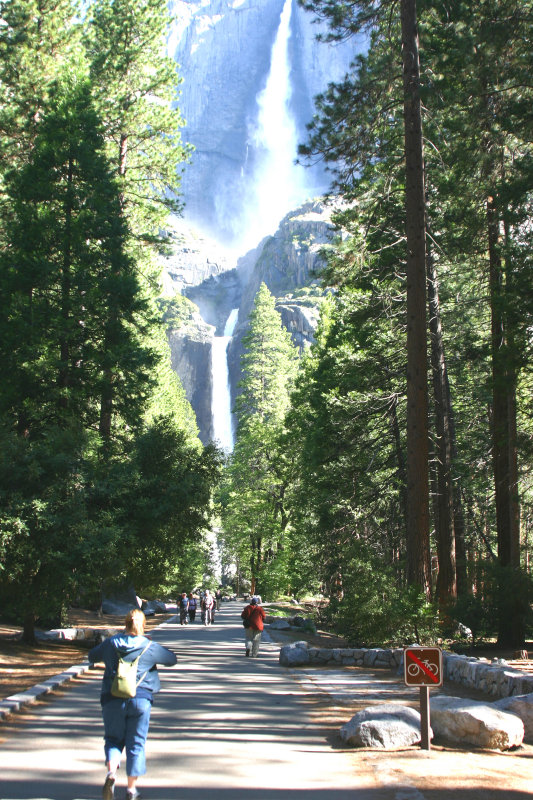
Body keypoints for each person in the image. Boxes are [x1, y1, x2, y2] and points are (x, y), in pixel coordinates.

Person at [89, 608, 177, 800]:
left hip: (112, 697)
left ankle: (111, 773)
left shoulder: (111, 643)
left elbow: (92, 656)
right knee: (136, 743)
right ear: (143, 625)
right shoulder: (148, 646)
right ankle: (131, 789)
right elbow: (171, 660)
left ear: (125, 624)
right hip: (140, 699)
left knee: (113, 739)